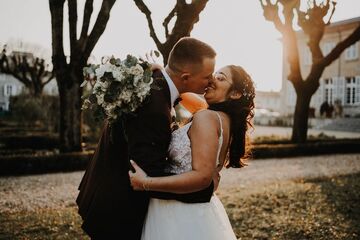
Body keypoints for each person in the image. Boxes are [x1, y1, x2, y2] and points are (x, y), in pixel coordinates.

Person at [76, 37, 217, 239]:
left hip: (101, 189)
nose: (211, 81)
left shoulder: (152, 78)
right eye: (207, 76)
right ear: (185, 77)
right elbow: (147, 174)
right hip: (117, 210)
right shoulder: (155, 107)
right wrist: (203, 188)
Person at [129, 65, 256, 240]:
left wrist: (146, 183)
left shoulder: (207, 117)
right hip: (194, 212)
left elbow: (202, 178)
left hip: (179, 214)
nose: (212, 79)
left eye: (221, 78)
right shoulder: (224, 119)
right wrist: (165, 73)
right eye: (214, 74)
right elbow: (183, 95)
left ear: (235, 94)